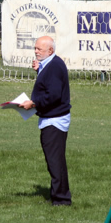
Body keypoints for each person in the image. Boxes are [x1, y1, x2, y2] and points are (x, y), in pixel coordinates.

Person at [19, 36, 72, 206]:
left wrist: (33, 103)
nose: (36, 51)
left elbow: (54, 94)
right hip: (52, 118)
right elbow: (49, 84)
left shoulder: (54, 66)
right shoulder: (50, 64)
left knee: (55, 161)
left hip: (54, 120)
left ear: (50, 50)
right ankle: (58, 194)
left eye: (39, 49)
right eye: (35, 48)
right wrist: (39, 71)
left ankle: (62, 199)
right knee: (54, 160)